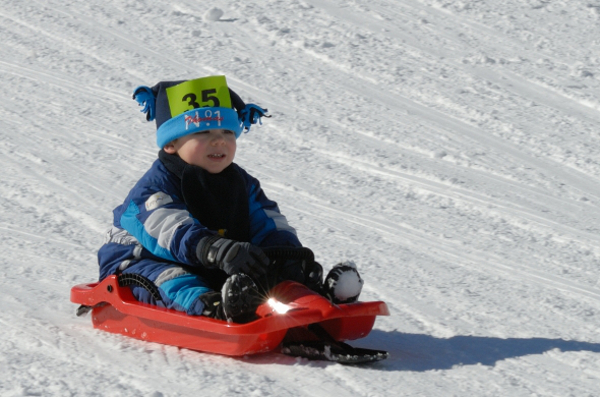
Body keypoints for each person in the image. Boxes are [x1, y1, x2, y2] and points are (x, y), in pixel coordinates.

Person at [97, 75, 362, 323]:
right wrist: (213, 248)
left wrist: (285, 253)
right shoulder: (153, 188)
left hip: (214, 260)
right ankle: (214, 307)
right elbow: (167, 228)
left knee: (268, 269)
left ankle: (312, 298)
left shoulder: (239, 182)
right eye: (203, 133)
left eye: (227, 132)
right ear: (171, 144)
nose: (219, 142)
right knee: (174, 280)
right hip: (140, 264)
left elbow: (266, 218)